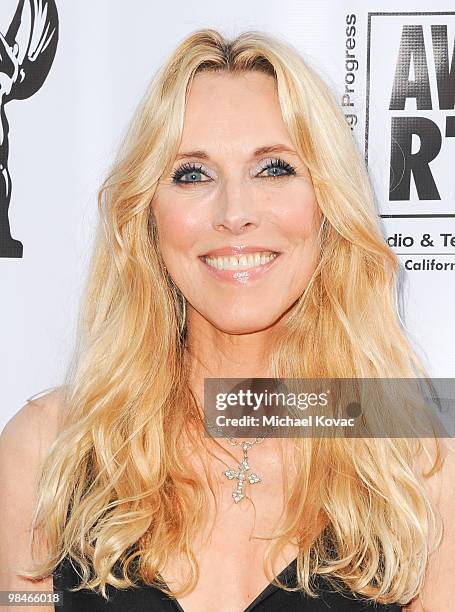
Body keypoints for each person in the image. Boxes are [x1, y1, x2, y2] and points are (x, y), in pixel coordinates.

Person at [1, 28, 454, 612]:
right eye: (193, 174)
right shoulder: (47, 450)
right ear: (146, 215)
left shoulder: (415, 464)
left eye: (273, 169)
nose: (236, 214)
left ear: (327, 205)